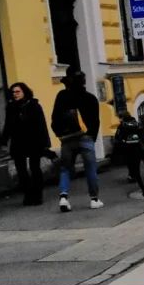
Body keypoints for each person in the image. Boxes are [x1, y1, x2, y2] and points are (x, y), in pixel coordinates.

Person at [50, 68, 103, 212]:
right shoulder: (90, 98)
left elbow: (54, 118)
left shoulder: (61, 96)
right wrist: (92, 136)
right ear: (84, 83)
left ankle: (63, 197)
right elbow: (95, 121)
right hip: (85, 137)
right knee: (90, 168)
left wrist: (59, 134)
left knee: (65, 169)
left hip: (67, 139)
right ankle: (94, 199)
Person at [2, 82, 52, 206]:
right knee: (21, 171)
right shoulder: (11, 107)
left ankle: (37, 195)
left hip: (33, 141)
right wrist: (2, 140)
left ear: (24, 92)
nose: (15, 94)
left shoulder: (34, 105)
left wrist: (45, 143)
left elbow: (42, 125)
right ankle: (28, 194)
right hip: (18, 142)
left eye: (18, 92)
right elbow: (8, 125)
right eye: (13, 92)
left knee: (35, 168)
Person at [113, 114, 144, 190]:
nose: (119, 120)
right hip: (137, 146)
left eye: (119, 118)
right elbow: (142, 133)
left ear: (122, 117)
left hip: (127, 147)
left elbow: (117, 136)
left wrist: (119, 142)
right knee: (137, 161)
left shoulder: (122, 125)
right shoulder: (136, 123)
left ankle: (131, 175)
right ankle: (137, 175)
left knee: (130, 162)